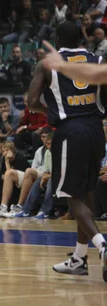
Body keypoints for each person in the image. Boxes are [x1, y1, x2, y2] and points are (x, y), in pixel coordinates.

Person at [28, 22, 107, 281]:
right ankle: (78, 258)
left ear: (58, 38)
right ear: (83, 38)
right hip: (96, 128)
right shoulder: (97, 59)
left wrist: (48, 111)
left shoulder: (47, 63)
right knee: (87, 192)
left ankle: (102, 245)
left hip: (70, 130)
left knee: (72, 198)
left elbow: (31, 102)